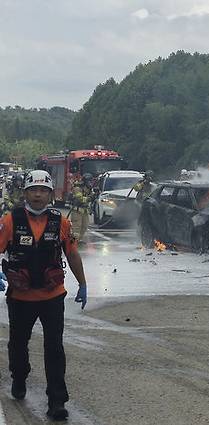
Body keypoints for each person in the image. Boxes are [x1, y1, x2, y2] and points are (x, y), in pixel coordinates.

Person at [0, 169, 88, 421]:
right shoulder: (10, 220)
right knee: (18, 345)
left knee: (54, 348)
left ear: (50, 194)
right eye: (33, 190)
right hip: (20, 296)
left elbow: (71, 253)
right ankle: (19, 375)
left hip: (52, 296)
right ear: (25, 192)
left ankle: (57, 401)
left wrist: (82, 283)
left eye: (43, 190)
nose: (38, 195)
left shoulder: (61, 222)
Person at [69, 173, 95, 241]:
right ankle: (74, 243)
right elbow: (80, 199)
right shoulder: (77, 188)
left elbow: (91, 195)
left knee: (84, 226)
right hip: (77, 211)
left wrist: (94, 194)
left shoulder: (88, 188)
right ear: (85, 181)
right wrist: (90, 198)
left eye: (91, 181)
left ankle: (78, 241)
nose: (90, 183)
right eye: (89, 181)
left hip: (84, 211)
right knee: (76, 228)